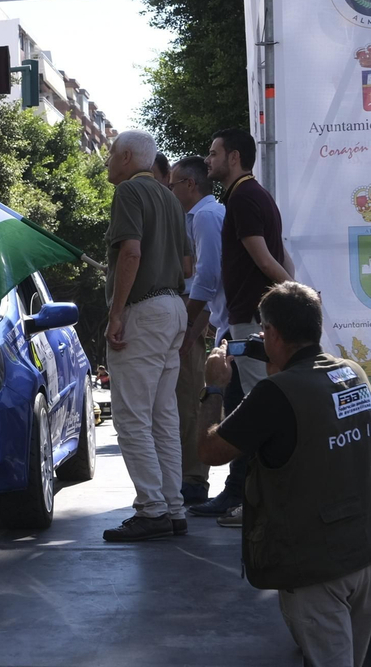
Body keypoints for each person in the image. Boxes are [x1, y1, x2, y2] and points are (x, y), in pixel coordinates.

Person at [198, 282, 371, 667]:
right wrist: (277, 364)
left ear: (272, 333)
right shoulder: (353, 373)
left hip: (315, 570)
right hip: (365, 555)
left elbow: (210, 451)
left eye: (265, 331)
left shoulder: (275, 393)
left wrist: (213, 387)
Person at [192, 127, 293, 524]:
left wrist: (297, 298)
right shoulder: (253, 196)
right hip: (249, 318)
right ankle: (240, 493)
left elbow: (267, 260)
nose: (208, 160)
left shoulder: (245, 198)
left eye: (213, 153)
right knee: (239, 404)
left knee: (257, 411)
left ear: (234, 157)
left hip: (252, 319)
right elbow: (281, 256)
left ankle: (259, 502)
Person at [101, 130, 194, 542]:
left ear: (125, 156)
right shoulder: (171, 198)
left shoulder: (128, 194)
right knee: (163, 416)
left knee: (132, 417)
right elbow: (189, 265)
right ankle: (173, 508)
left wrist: (117, 312)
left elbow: (131, 252)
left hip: (144, 311)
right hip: (174, 307)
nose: (106, 161)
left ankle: (152, 509)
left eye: (109, 154)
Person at [168, 154, 227, 505]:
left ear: (190, 184)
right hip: (219, 319)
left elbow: (207, 278)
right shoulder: (205, 214)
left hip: (228, 318)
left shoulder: (204, 216)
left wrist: (187, 324)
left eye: (173, 184)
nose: (171, 191)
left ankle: (203, 482)